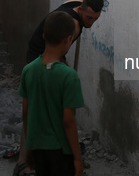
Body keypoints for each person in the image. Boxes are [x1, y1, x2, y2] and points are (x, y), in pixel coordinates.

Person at [19, 11, 85, 176]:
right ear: (68, 39)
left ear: (43, 35)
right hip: (60, 150)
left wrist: (29, 147)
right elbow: (68, 121)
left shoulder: (28, 70)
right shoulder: (69, 76)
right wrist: (77, 158)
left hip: (38, 147)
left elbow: (25, 113)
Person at [25, 0, 104, 64]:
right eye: (89, 18)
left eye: (95, 19)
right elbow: (56, 55)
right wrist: (69, 73)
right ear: (80, 9)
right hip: (38, 54)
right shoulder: (73, 25)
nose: (91, 23)